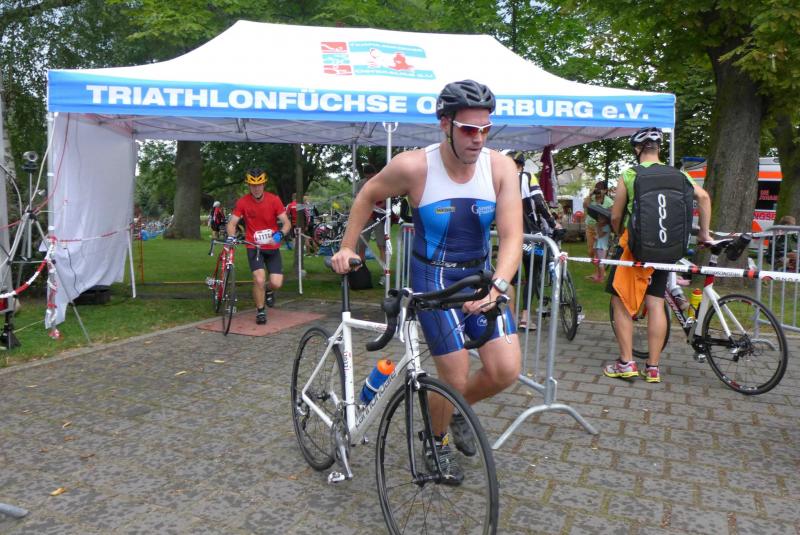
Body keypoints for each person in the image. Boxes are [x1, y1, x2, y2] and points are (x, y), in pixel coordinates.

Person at [332, 79, 522, 483]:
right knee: (454, 373)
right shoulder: (414, 166)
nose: (478, 139)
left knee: (505, 370)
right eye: (468, 129)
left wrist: (498, 287)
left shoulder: (500, 167)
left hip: (480, 277)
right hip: (432, 278)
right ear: (445, 125)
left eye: (485, 129)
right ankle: (435, 440)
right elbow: (367, 195)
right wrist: (348, 247)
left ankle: (454, 408)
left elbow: (512, 237)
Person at [603, 127, 711, 383]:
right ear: (658, 148)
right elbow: (704, 197)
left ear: (637, 149)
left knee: (620, 302)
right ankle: (653, 367)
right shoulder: (680, 174)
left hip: (635, 250)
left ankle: (626, 363)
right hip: (666, 249)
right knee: (655, 302)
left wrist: (618, 233)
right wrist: (704, 233)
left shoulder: (630, 174)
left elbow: (616, 215)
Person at [225, 168, 291, 325]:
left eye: (259, 185)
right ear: (248, 185)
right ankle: (260, 311)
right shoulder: (243, 202)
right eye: (253, 185)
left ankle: (268, 290)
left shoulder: (274, 200)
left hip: (272, 247)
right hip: (254, 247)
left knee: (276, 283)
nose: (256, 188)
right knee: (259, 279)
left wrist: (280, 234)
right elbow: (232, 224)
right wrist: (231, 237)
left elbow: (287, 223)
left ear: (264, 184)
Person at [510, 151, 560, 330]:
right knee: (532, 273)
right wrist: (554, 223)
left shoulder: (500, 179)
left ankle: (510, 318)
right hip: (530, 235)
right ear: (522, 165)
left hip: (509, 237)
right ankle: (525, 318)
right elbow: (539, 202)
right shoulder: (527, 176)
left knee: (509, 277)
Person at [354, 163, 388, 268]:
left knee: (381, 244)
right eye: (367, 177)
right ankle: (361, 269)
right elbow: (358, 199)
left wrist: (377, 207)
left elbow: (386, 201)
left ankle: (384, 270)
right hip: (366, 217)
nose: (370, 179)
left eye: (372, 176)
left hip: (379, 217)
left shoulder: (383, 182)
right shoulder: (361, 183)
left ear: (376, 173)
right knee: (362, 243)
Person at [583, 182, 614, 272]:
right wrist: (590, 195)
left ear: (605, 190)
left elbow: (611, 216)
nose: (598, 191)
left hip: (602, 228)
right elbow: (585, 206)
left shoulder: (609, 202)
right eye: (597, 189)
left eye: (601, 189)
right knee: (591, 252)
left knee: (599, 250)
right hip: (590, 227)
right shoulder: (591, 198)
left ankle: (599, 272)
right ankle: (600, 270)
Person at [591, 213, 611, 282]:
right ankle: (598, 276)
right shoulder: (600, 226)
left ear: (606, 219)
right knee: (597, 262)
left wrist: (598, 227)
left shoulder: (607, 227)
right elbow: (597, 236)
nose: (599, 220)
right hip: (598, 246)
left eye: (601, 218)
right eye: (599, 218)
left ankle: (601, 278)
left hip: (602, 248)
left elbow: (600, 235)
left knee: (601, 263)